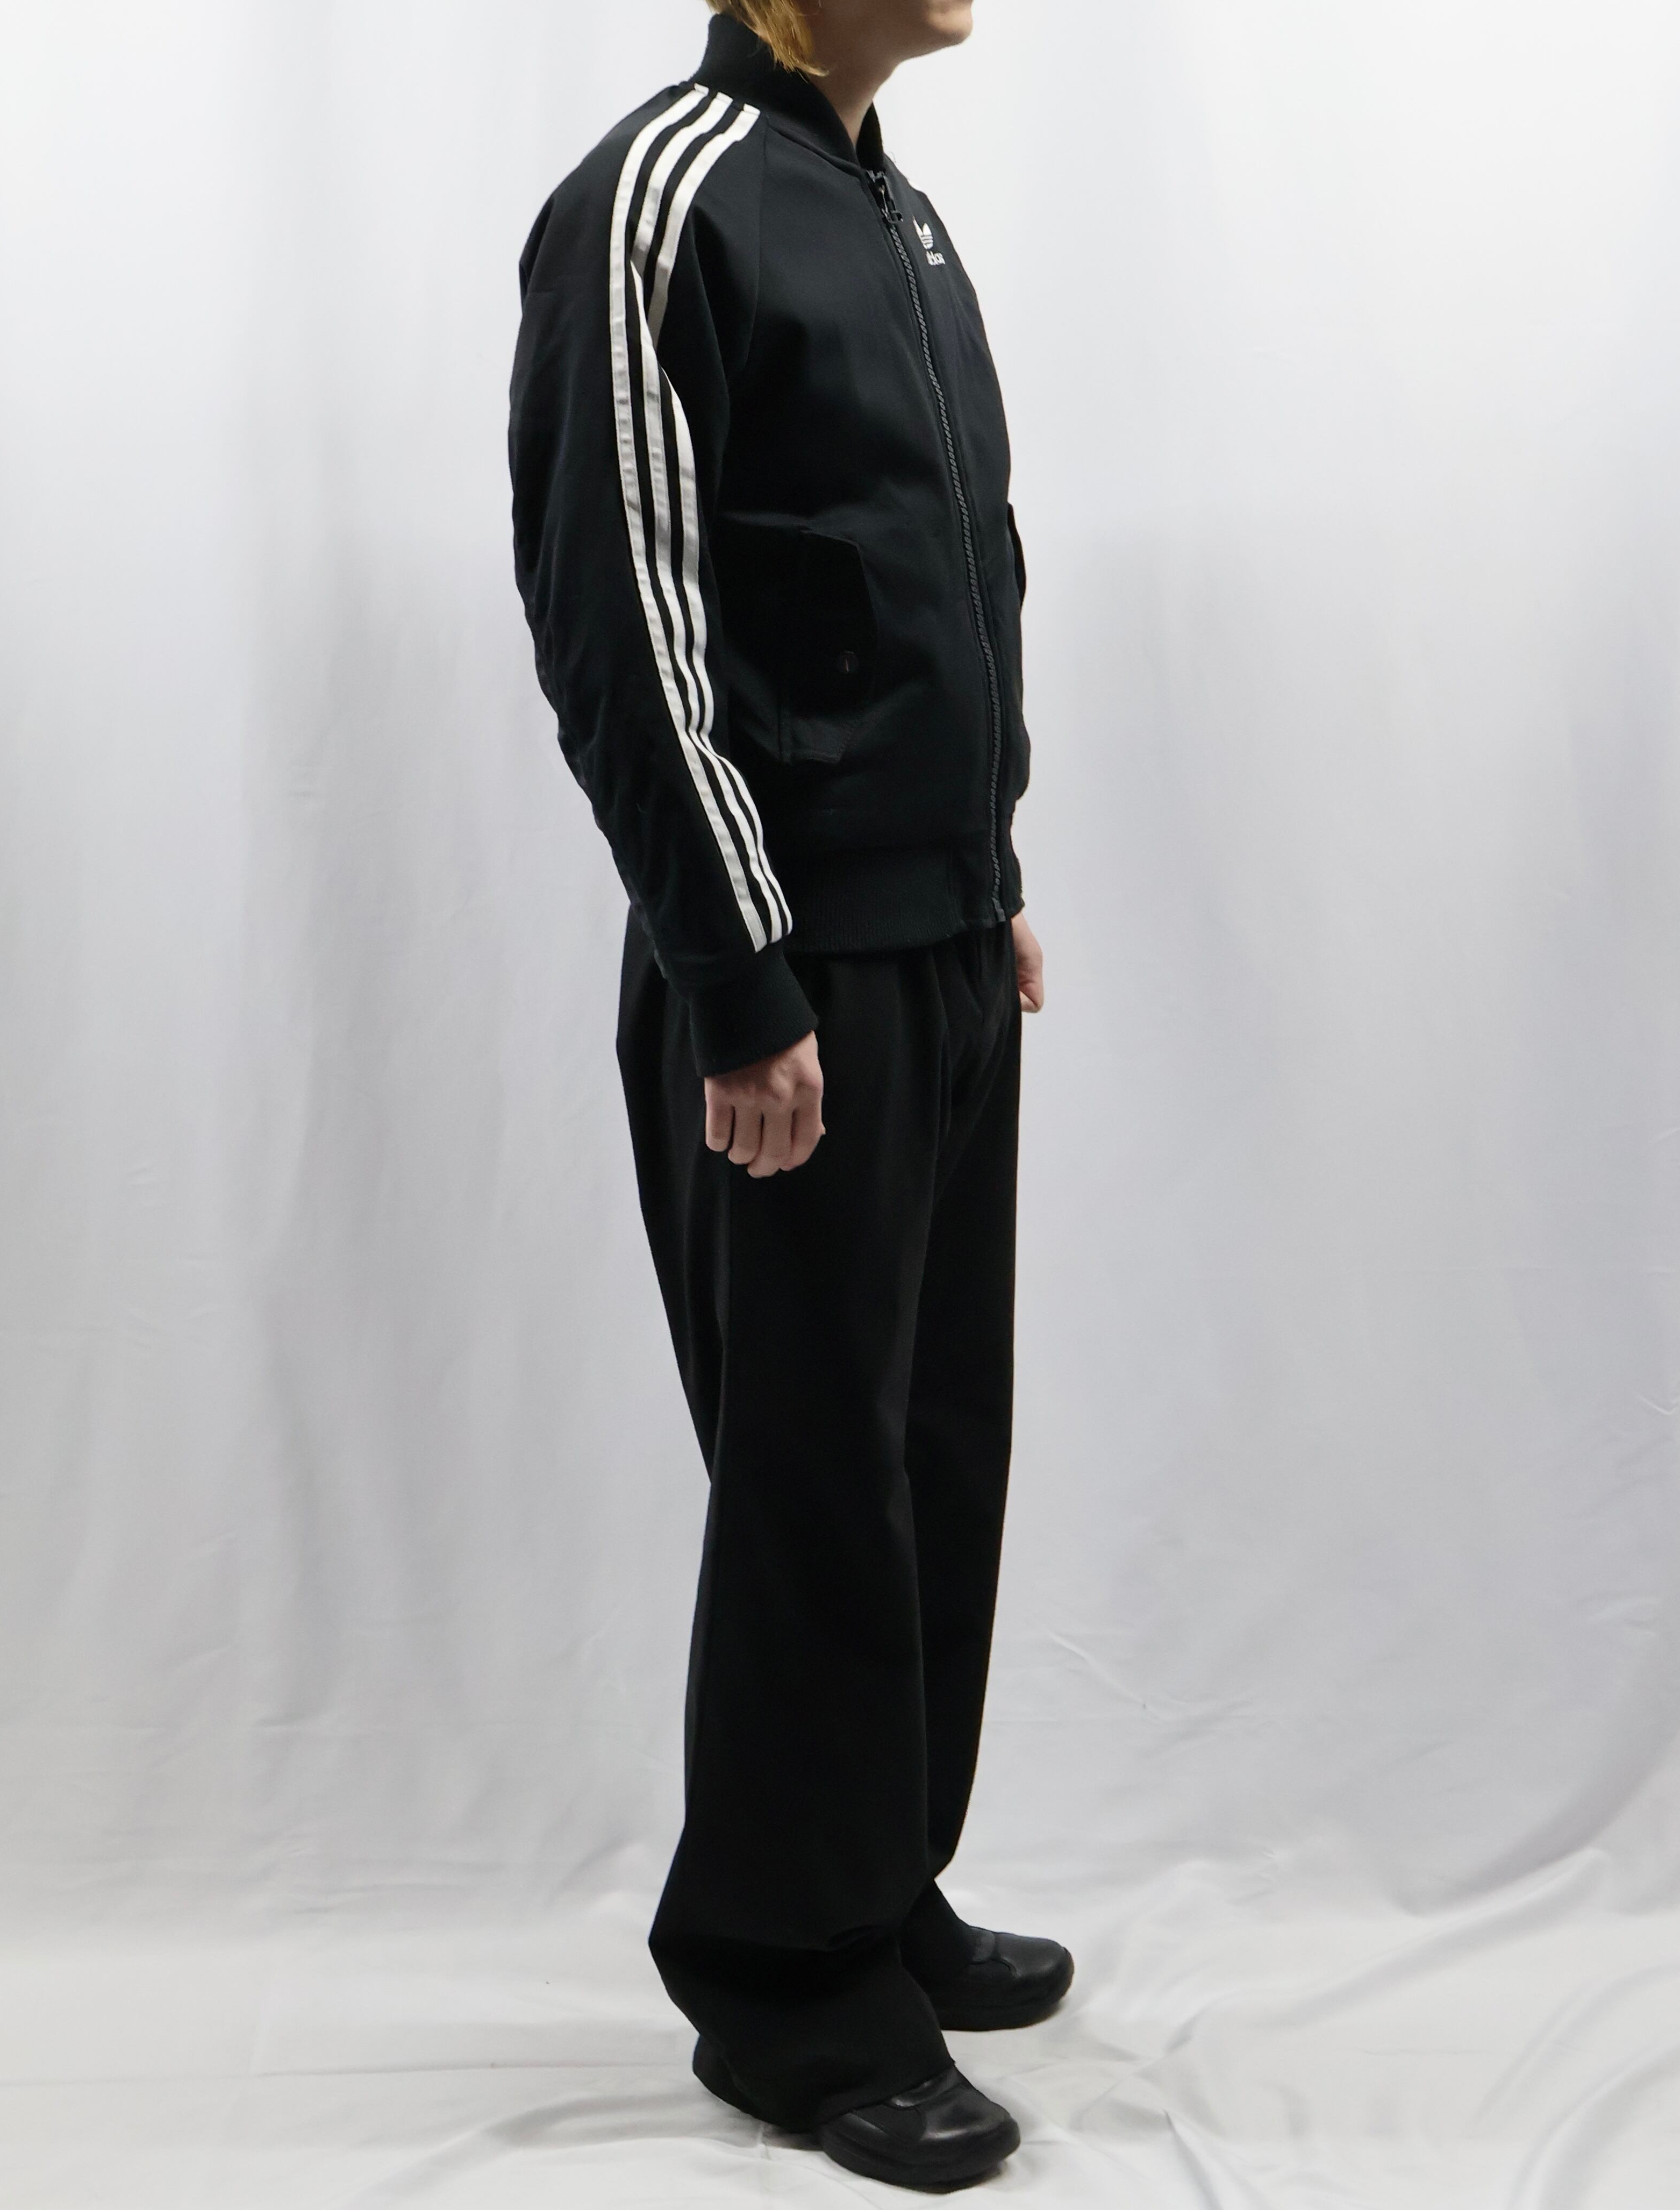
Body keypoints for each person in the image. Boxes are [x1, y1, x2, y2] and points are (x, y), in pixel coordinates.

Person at [510, 0, 1065, 2190]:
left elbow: (949, 576)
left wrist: (985, 883)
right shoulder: (660, 201)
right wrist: (742, 981)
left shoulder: (891, 212)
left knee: (931, 1444)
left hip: (935, 943)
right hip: (790, 970)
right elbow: (620, 618)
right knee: (819, 1474)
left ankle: (880, 1883)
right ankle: (787, 1986)